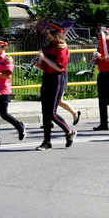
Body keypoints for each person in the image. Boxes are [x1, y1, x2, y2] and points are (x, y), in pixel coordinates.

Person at [36, 21, 74, 150]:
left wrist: (45, 59)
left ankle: (69, 131)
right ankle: (47, 142)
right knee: (45, 112)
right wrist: (38, 65)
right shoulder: (48, 46)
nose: (47, 36)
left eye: (49, 34)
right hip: (47, 78)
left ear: (55, 34)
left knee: (51, 112)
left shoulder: (61, 47)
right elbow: (46, 67)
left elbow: (58, 67)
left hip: (57, 79)